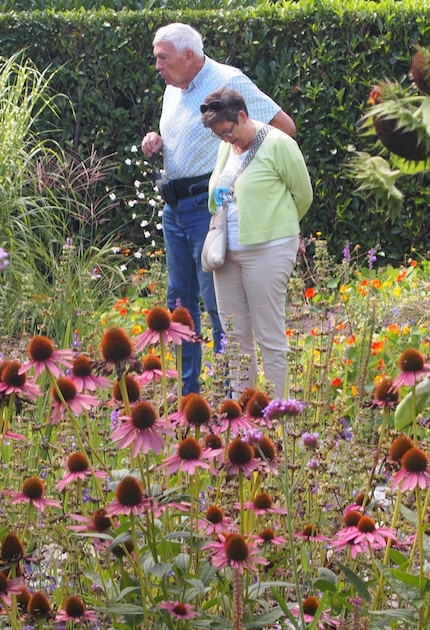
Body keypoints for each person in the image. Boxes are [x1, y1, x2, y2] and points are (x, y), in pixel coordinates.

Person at [141, 22, 296, 396]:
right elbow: (188, 137)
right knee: (179, 303)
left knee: (218, 304)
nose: (157, 66)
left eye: (163, 58)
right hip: (174, 206)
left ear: (188, 56)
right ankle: (188, 394)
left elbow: (283, 128)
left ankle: (231, 395)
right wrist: (159, 141)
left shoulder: (228, 80)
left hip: (209, 205)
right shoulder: (172, 89)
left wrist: (244, 173)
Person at [201, 87, 312, 399]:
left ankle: (280, 412)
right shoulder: (226, 148)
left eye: (228, 131)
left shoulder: (279, 144)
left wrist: (280, 226)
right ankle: (243, 414)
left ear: (242, 115)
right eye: (219, 135)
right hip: (226, 252)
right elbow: (219, 193)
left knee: (269, 336)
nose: (226, 139)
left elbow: (303, 196)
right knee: (235, 337)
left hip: (269, 249)